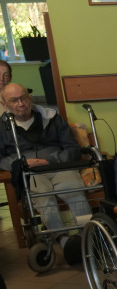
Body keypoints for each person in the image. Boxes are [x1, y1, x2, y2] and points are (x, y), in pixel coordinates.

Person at [0, 81, 90, 233]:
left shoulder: (53, 118)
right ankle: (63, 241)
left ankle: (90, 238)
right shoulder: (2, 127)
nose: (21, 104)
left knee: (75, 193)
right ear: (4, 103)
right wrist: (20, 163)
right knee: (45, 201)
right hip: (30, 173)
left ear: (30, 97)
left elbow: (73, 149)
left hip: (58, 166)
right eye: (14, 100)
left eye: (24, 98)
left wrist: (50, 160)